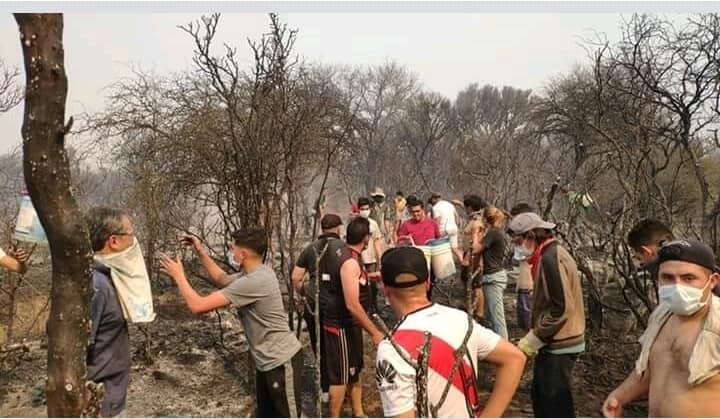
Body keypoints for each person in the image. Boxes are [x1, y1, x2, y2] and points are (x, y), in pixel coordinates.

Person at [159, 227, 303, 418]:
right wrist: (200, 252)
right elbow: (222, 279)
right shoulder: (255, 273)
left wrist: (178, 276)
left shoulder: (255, 281)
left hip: (282, 362)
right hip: (267, 363)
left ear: (243, 255)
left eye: (233, 248)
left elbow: (198, 306)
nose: (231, 251)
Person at [375, 246, 526, 418]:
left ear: (385, 290)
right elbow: (515, 358)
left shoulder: (392, 348)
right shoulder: (460, 320)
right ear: (427, 283)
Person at [602, 239, 720, 417]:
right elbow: (652, 367)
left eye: (689, 278)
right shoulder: (662, 315)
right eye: (667, 278)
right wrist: (620, 396)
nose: (678, 287)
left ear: (712, 281)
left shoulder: (716, 325)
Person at [507, 212, 585, 418]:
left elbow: (562, 308)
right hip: (556, 339)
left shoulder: (551, 258)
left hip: (561, 341)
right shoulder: (549, 253)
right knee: (541, 396)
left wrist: (535, 337)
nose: (518, 246)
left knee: (554, 403)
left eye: (518, 240)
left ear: (531, 235)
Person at [323, 216, 384, 418]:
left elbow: (350, 281)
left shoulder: (349, 256)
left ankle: (358, 413)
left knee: (354, 369)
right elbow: (352, 304)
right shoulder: (350, 262)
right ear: (366, 238)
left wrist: (372, 276)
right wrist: (374, 332)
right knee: (340, 377)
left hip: (351, 326)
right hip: (339, 326)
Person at [85, 207, 140, 417]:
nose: (134, 242)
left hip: (112, 396)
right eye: (131, 234)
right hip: (98, 403)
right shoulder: (95, 285)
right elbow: (74, 347)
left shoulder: (110, 277)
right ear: (114, 241)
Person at [290, 213, 345, 400]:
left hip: (313, 302)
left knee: (317, 342)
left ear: (322, 229)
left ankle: (324, 388)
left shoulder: (310, 248)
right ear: (338, 228)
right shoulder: (343, 248)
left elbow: (295, 278)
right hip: (336, 303)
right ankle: (339, 384)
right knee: (337, 345)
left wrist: (305, 294)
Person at [473, 205, 509, 339]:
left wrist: (476, 232)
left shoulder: (493, 233)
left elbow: (476, 249)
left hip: (493, 277)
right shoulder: (498, 232)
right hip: (495, 274)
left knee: (496, 317)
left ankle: (504, 346)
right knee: (493, 315)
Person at [460, 194, 487, 321]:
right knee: (469, 285)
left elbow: (476, 242)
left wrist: (469, 258)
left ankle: (479, 314)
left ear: (469, 207)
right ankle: (472, 309)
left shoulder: (476, 223)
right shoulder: (473, 219)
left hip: (473, 257)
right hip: (468, 254)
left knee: (476, 285)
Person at [510, 203, 535, 334]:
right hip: (523, 283)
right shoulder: (523, 236)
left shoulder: (533, 236)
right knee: (523, 320)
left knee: (529, 319)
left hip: (530, 285)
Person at [357, 197, 385, 312]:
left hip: (371, 260)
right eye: (363, 209)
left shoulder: (373, 224)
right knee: (360, 284)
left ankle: (373, 307)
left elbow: (377, 242)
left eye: (367, 208)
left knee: (373, 285)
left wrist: (380, 259)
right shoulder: (355, 224)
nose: (365, 211)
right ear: (359, 209)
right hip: (359, 259)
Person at [429, 192, 461, 262]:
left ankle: (444, 264)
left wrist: (435, 234)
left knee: (442, 250)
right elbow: (457, 216)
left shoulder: (435, 207)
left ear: (434, 199)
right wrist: (457, 227)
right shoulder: (449, 204)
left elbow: (437, 221)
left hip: (443, 230)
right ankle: (463, 263)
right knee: (454, 248)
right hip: (453, 228)